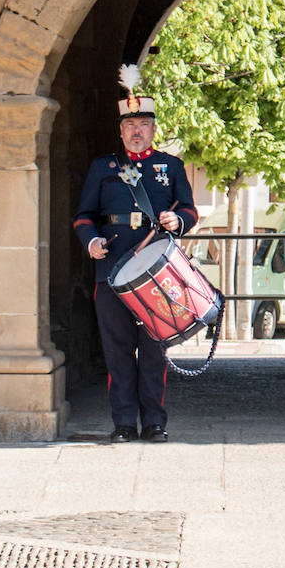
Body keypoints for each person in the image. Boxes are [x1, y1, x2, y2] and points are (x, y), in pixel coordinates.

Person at [73, 66, 198, 444]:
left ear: (154, 129)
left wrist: (177, 220)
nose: (136, 130)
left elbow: (189, 211)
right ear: (121, 131)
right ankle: (124, 423)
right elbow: (83, 216)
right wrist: (91, 242)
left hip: (157, 273)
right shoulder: (103, 167)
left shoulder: (171, 166)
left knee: (154, 352)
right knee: (118, 351)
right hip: (112, 270)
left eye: (143, 124)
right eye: (130, 125)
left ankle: (155, 422)